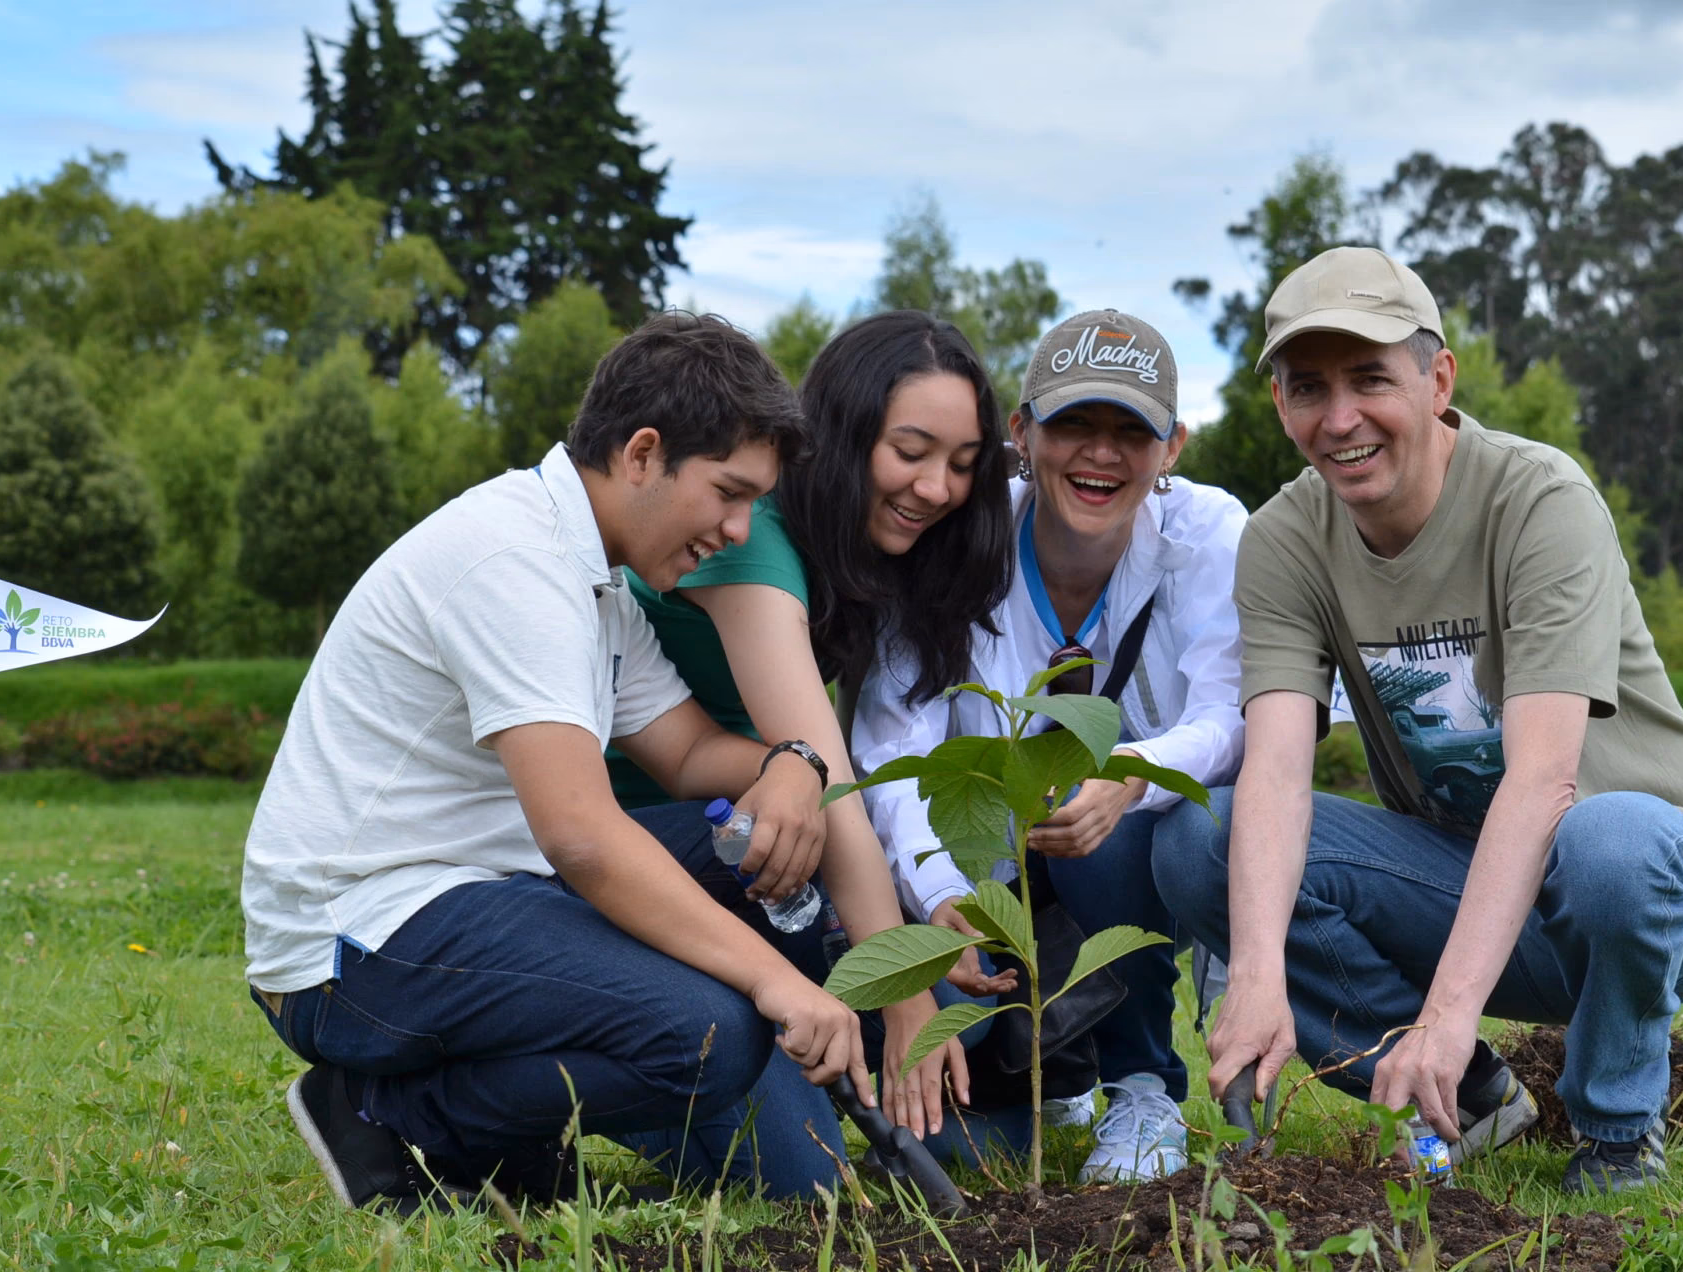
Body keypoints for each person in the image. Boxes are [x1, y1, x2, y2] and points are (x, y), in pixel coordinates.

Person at [1160, 247, 1683, 1194]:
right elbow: (1276, 771)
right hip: (1459, 874)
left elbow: (1544, 781)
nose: (1341, 417)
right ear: (1280, 404)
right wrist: (1257, 970)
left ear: (1438, 379)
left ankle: (1614, 1131)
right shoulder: (1283, 540)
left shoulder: (1539, 500)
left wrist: (1448, 1009)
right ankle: (1475, 1099)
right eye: (1307, 387)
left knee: (1614, 841)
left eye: (1370, 379)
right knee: (1203, 834)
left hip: (1645, 885)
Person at [240, 312, 873, 1216]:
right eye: (729, 493)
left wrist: (792, 765)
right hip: (353, 942)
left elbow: (689, 751)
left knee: (758, 851)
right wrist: (771, 981)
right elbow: (581, 837)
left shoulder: (597, 577)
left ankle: (506, 1131)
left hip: (481, 894)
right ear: (644, 454)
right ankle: (398, 1113)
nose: (739, 529)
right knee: (712, 1033)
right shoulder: (516, 562)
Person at [853, 308, 1248, 1181]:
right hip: (986, 861)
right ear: (1022, 433)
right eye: (1073, 424)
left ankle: (1142, 1086)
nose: (1100, 455)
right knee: (975, 1055)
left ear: (1173, 446)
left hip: (1130, 853)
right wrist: (943, 898)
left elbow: (1234, 715)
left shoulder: (1211, 535)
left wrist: (1129, 776)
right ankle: (1050, 1065)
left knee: (1112, 837)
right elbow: (891, 748)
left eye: (1130, 431)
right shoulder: (956, 539)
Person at [607, 310, 1015, 1141]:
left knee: (970, 1068)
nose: (936, 488)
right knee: (811, 1161)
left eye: (963, 465)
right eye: (910, 452)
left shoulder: (859, 558)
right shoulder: (747, 538)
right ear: (839, 433)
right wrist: (901, 998)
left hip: (752, 845)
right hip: (651, 853)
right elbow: (830, 782)